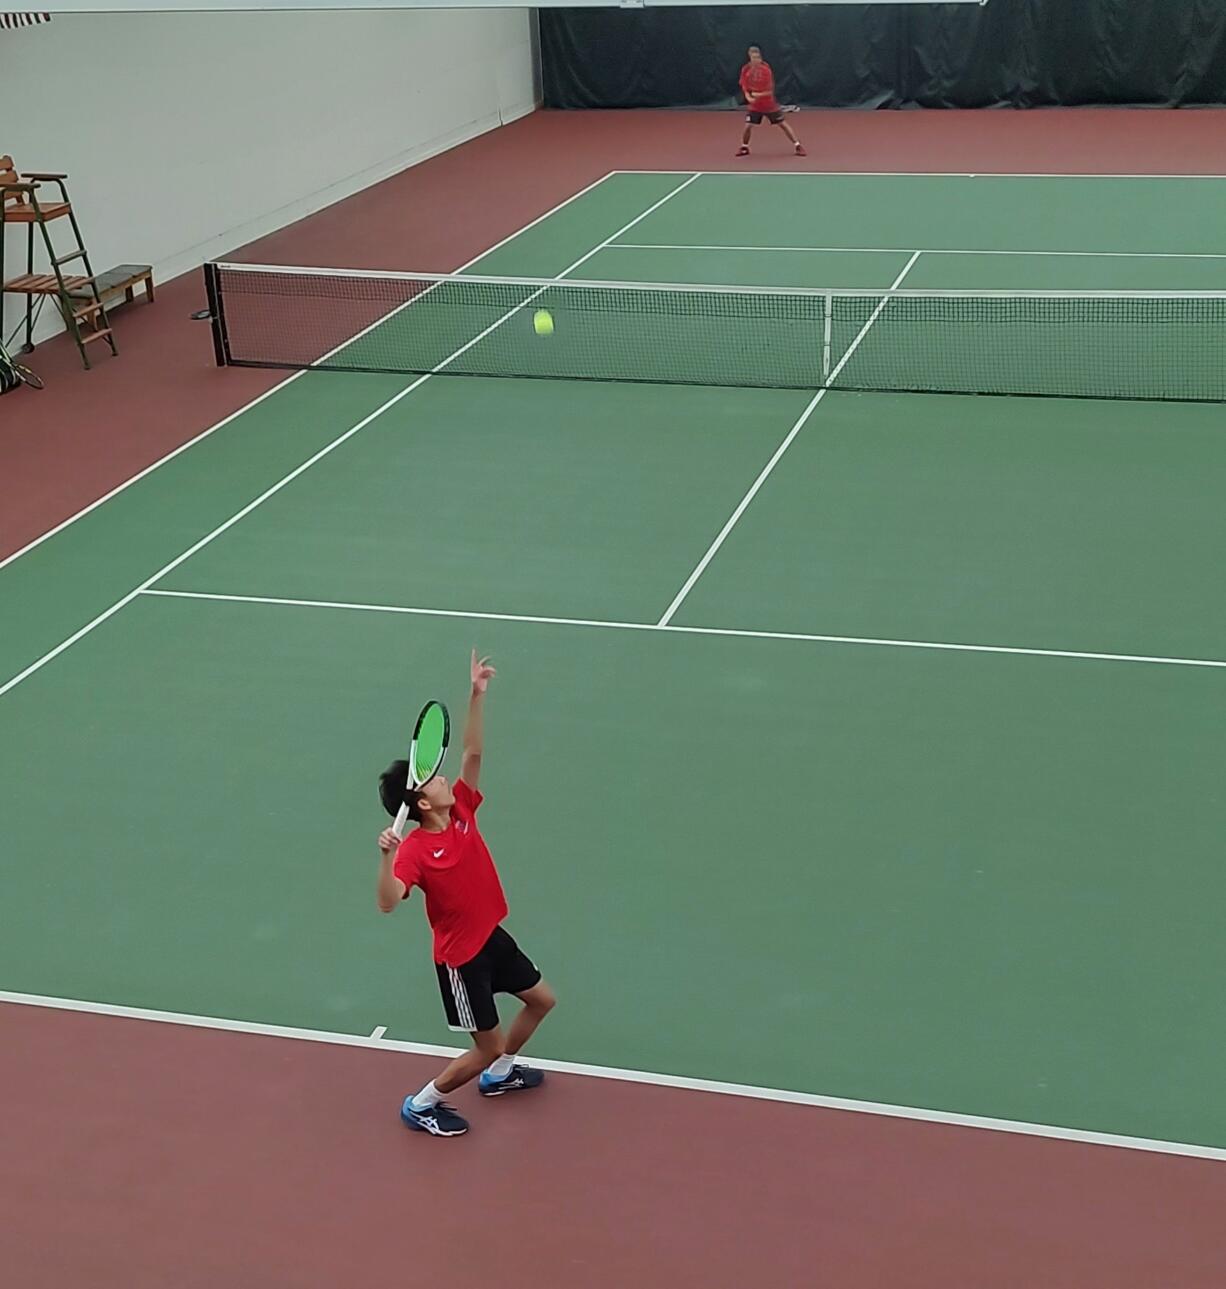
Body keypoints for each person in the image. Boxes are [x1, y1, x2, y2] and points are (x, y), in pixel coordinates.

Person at [376, 651, 556, 1137]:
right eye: (433, 780)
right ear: (419, 801)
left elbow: (472, 754)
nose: (443, 779)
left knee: (542, 1000)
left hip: (490, 936)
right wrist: (385, 855)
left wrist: (476, 695)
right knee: (486, 1046)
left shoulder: (460, 813)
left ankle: (499, 1077)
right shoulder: (413, 849)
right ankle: (422, 1102)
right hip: (462, 959)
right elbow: (389, 901)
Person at [737, 45, 805, 158]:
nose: (755, 60)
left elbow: (769, 91)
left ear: (760, 58)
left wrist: (757, 95)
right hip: (755, 107)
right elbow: (744, 85)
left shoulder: (766, 70)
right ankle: (744, 147)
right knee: (748, 126)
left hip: (769, 105)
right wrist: (748, 96)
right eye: (752, 58)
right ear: (749, 58)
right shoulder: (746, 69)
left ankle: (798, 146)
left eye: (757, 58)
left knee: (782, 124)